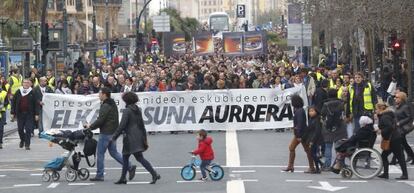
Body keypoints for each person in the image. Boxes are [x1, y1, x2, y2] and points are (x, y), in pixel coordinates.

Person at [84, 87, 136, 181]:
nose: (98, 95)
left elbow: (101, 120)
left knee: (100, 153)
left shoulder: (105, 105)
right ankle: (130, 166)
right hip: (112, 132)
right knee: (114, 153)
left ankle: (100, 175)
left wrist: (90, 126)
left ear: (104, 94)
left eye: (100, 93)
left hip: (106, 133)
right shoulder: (111, 103)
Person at [112, 92, 160, 184]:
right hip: (138, 136)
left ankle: (153, 174)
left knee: (132, 157)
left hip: (130, 138)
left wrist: (114, 137)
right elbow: (142, 125)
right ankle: (124, 177)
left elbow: (122, 125)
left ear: (126, 101)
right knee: (133, 157)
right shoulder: (137, 109)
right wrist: (144, 138)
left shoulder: (127, 111)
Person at [283, 94, 315, 173]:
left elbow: (300, 124)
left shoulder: (299, 111)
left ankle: (312, 167)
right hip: (299, 133)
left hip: (301, 134)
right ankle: (290, 166)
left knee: (307, 150)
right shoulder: (299, 110)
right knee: (292, 148)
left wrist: (299, 135)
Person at [376, 102, 408, 180]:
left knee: (399, 157)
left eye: (376, 109)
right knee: (385, 156)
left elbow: (389, 127)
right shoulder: (386, 115)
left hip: (393, 139)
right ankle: (386, 174)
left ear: (380, 109)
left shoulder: (385, 116)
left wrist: (381, 131)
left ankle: (404, 175)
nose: (375, 110)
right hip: (393, 138)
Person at [320, 89, 347, 170]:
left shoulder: (326, 104)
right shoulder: (341, 103)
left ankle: (327, 164)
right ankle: (340, 163)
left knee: (328, 146)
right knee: (339, 147)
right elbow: (344, 114)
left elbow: (322, 115)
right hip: (340, 127)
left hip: (328, 128)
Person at [11, 79, 39, 150]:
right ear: (22, 83)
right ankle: (22, 140)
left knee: (28, 129)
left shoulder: (32, 92)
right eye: (24, 82)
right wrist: (12, 112)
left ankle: (27, 144)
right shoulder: (18, 91)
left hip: (29, 114)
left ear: (29, 84)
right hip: (20, 114)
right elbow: (13, 102)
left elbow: (36, 104)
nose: (26, 84)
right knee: (20, 129)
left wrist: (36, 114)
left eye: (27, 83)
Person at [392, 92, 414, 165]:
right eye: (395, 97)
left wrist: (399, 123)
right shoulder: (397, 106)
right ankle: (411, 157)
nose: (395, 98)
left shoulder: (405, 106)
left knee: (399, 143)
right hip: (398, 128)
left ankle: (394, 160)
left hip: (403, 128)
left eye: (397, 97)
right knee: (403, 144)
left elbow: (409, 117)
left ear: (402, 99)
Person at [306, 106, 323, 173]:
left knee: (313, 154)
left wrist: (312, 141)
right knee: (312, 154)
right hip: (311, 138)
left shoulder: (317, 119)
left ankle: (319, 166)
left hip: (316, 139)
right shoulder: (311, 119)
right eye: (309, 111)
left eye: (312, 111)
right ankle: (318, 166)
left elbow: (317, 131)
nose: (310, 113)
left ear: (316, 111)